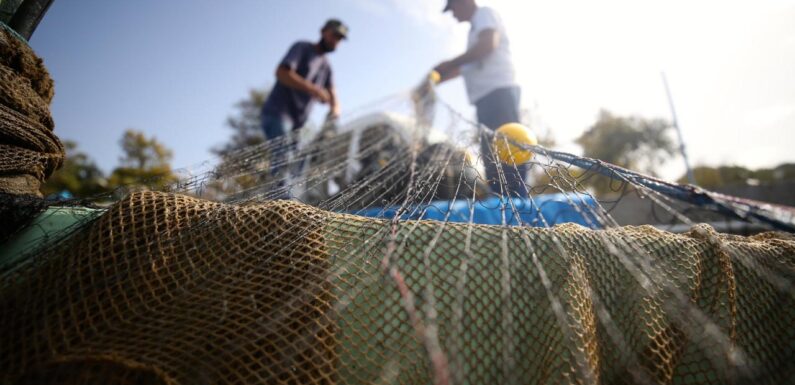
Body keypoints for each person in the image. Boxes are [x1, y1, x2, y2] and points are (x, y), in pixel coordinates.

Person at [432, 0, 528, 198]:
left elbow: (487, 45)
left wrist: (450, 62)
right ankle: (501, 203)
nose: (453, 14)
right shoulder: (473, 31)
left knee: (507, 153)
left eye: (453, 8)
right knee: (491, 156)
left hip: (498, 93)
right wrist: (438, 78)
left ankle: (518, 207)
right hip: (486, 100)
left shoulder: (484, 14)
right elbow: (466, 67)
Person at [261, 19, 348, 197]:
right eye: (334, 35)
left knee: (301, 161)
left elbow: (333, 96)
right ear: (323, 31)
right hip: (278, 113)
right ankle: (278, 204)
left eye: (339, 39)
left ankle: (288, 199)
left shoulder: (327, 68)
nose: (335, 41)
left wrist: (335, 112)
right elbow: (282, 73)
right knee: (283, 158)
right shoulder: (302, 48)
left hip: (298, 125)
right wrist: (314, 89)